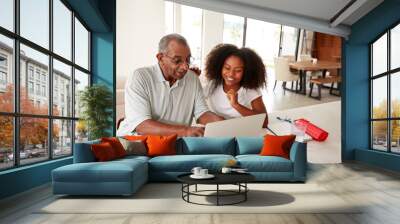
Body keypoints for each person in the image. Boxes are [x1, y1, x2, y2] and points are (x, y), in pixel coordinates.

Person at [117, 34, 223, 137]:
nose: (185, 67)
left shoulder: (192, 78)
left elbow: (202, 114)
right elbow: (142, 126)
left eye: (188, 60)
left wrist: (224, 124)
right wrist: (185, 131)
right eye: (177, 61)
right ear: (160, 58)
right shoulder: (139, 77)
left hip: (173, 144)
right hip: (136, 143)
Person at [203, 44, 268, 127]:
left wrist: (236, 105)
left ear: (246, 72)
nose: (231, 74)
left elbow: (264, 122)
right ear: (220, 67)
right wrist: (193, 78)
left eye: (238, 70)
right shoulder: (213, 84)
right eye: (227, 68)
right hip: (217, 128)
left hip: (241, 130)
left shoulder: (250, 89)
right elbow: (193, 100)